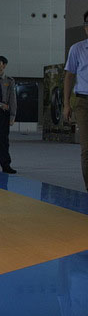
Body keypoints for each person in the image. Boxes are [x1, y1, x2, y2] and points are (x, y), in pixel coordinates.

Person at [64, 10, 88, 191]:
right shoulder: (77, 49)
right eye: (87, 25)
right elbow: (69, 76)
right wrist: (66, 104)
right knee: (86, 149)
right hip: (83, 103)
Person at [0, 55, 17, 174]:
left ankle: (6, 165)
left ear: (4, 65)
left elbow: (12, 99)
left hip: (3, 114)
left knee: (3, 141)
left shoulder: (9, 81)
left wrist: (12, 116)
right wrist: (0, 104)